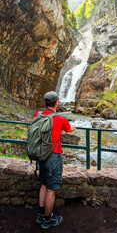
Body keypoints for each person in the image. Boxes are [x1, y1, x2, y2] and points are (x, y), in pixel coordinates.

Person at [35, 91, 76, 230]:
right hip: (54, 156)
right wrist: (73, 128)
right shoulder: (60, 119)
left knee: (44, 184)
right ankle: (48, 219)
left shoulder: (38, 115)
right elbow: (68, 129)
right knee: (51, 189)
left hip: (41, 155)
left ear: (45, 102)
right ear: (57, 103)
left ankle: (41, 214)